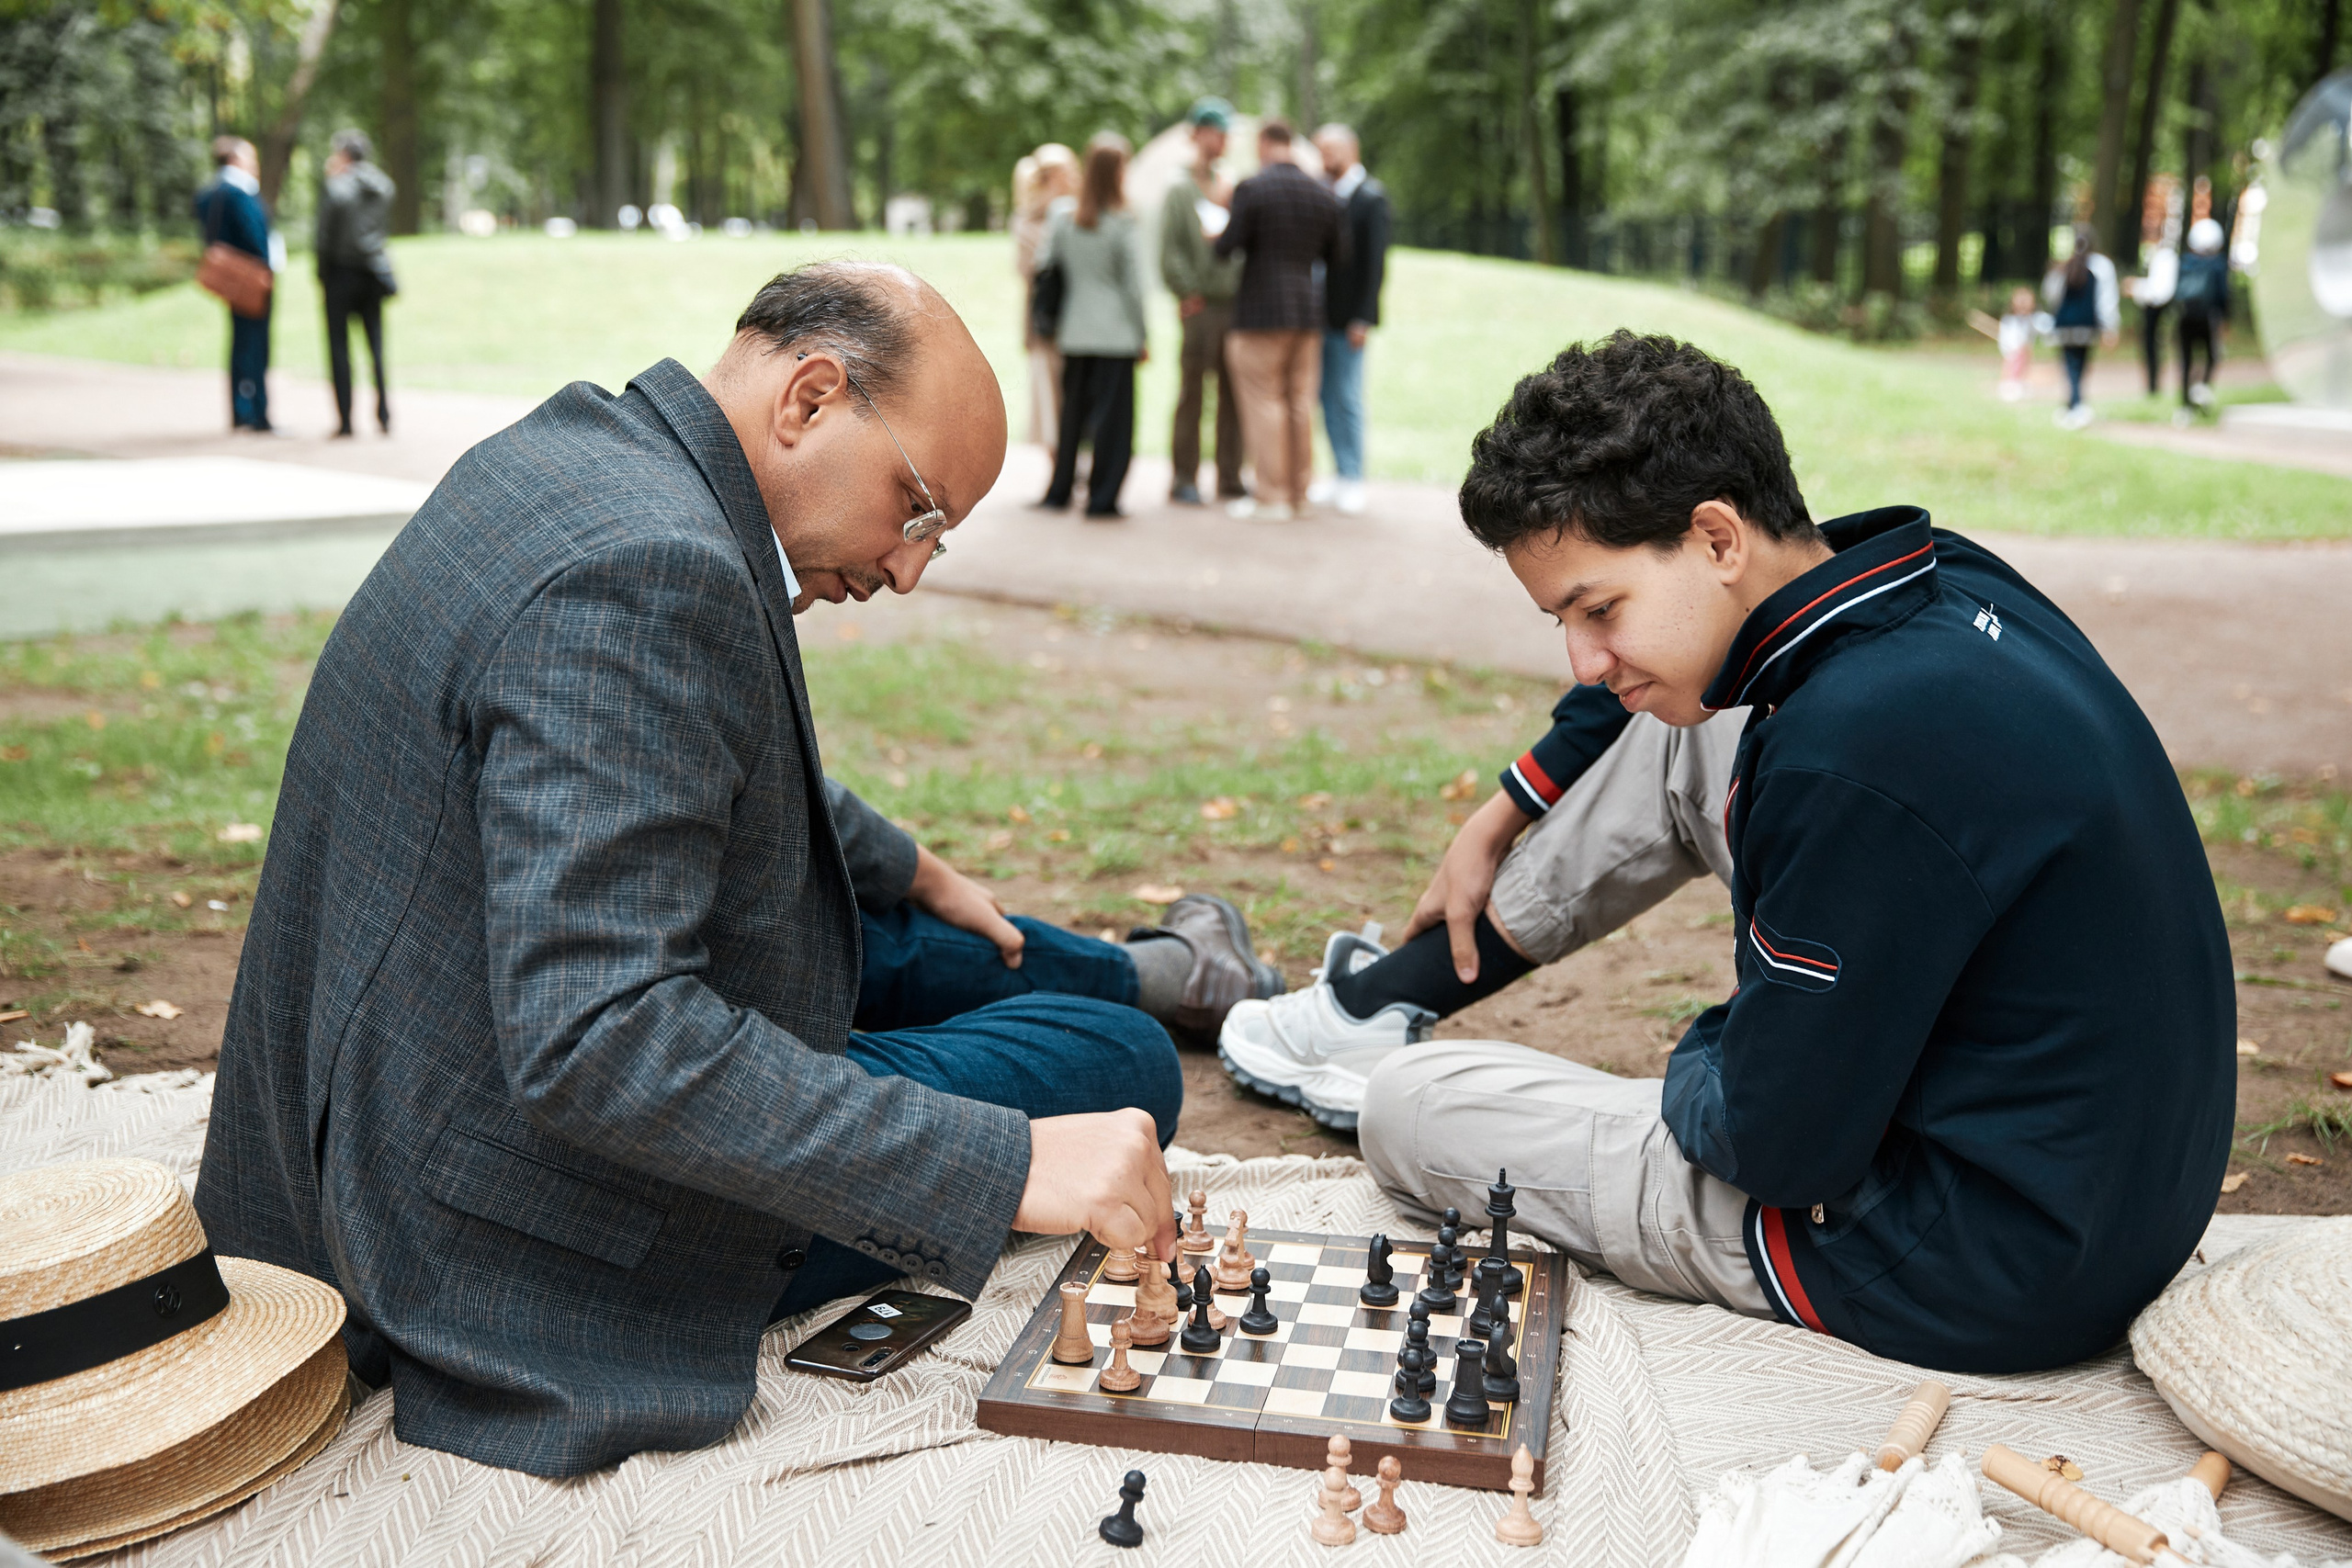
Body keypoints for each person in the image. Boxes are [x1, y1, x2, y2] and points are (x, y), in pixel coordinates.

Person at [195, 262, 1282, 1478]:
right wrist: (1011, 1165)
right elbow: (602, 1035)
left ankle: (1155, 967)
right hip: (483, 1225)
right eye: (917, 508)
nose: (911, 568)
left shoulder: (575, 462)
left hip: (395, 1086)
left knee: (887, 923)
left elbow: (667, 754)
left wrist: (904, 858)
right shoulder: (648, 578)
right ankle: (1148, 993)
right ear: (811, 397)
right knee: (1116, 1068)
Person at [1221, 331, 2233, 1375]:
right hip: (2117, 1185)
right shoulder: (1940, 578)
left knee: (1408, 1107)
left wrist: (1715, 1048)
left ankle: (1378, 1041)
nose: (1581, 659)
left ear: (1715, 538)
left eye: (1597, 609)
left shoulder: (1843, 756)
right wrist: (1501, 811)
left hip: (1964, 1253)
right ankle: (1388, 999)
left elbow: (1775, 1145)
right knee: (1690, 723)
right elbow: (1687, 715)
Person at [1215, 118, 1344, 522]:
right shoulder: (1322, 194)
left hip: (1259, 313)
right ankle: (1299, 494)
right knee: (1299, 404)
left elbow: (1226, 247)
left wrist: (1222, 210)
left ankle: (1271, 497)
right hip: (1307, 313)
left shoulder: (1252, 188)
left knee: (1264, 402)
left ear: (1264, 144)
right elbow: (1340, 257)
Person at [1037, 134, 1148, 519]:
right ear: (1118, 171)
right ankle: (1102, 498)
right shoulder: (1123, 222)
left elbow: (1045, 265)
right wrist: (1143, 333)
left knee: (1073, 418)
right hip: (1116, 334)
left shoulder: (1065, 218)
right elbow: (1133, 288)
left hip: (1075, 331)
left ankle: (1060, 490)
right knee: (1113, 424)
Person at [1159, 98, 1246, 508]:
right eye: (1216, 130)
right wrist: (1187, 290)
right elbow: (1171, 248)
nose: (1223, 138)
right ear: (1198, 134)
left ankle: (1230, 475)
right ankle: (1184, 477)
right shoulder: (1178, 187)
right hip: (1200, 307)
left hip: (1235, 304)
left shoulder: (1230, 183)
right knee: (1193, 394)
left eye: (1226, 131)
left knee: (1234, 393)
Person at [1307, 123, 1390, 517]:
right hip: (1318, 315)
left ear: (1351, 149)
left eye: (1330, 149)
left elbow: (1375, 265)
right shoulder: (1324, 193)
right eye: (1319, 150)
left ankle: (1354, 476)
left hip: (1348, 318)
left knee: (1347, 396)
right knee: (1324, 396)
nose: (1324, 157)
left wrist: (1362, 317)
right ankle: (1338, 473)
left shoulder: (1370, 197)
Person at [315, 129, 398, 438]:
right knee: (376, 346)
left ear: (344, 154)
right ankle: (384, 415)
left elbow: (324, 237)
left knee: (339, 348)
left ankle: (346, 421)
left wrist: (321, 275)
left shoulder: (337, 187)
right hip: (374, 273)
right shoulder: (384, 186)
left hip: (341, 274)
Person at [193, 137, 276, 433]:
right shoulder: (239, 192)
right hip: (251, 278)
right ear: (235, 159)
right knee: (255, 345)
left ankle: (242, 410)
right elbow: (256, 237)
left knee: (240, 343)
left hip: (232, 279)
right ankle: (256, 413)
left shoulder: (210, 193)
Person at [1012, 143, 1080, 450]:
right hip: (1045, 319)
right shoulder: (1029, 222)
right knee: (1049, 395)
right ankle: (1058, 464)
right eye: (1068, 171)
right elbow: (1032, 270)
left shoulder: (1080, 213)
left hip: (1079, 317)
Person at [2042, 224, 2120, 429]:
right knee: (2080, 366)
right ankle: (2076, 405)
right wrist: (2110, 327)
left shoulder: (2064, 266)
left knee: (2070, 366)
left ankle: (2073, 404)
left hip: (2064, 325)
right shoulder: (2102, 266)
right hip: (2086, 326)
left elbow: (2051, 295)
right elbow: (2107, 300)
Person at [2174, 217, 2231, 423]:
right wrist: (2225, 318)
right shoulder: (2218, 265)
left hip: (2185, 316)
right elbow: (2223, 295)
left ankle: (2185, 407)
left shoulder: (2185, 261)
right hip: (2208, 318)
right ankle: (2201, 388)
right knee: (2212, 356)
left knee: (2186, 361)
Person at [2130, 231, 2177, 398]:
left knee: (2153, 347)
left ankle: (2154, 386)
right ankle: (2152, 385)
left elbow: (2160, 292)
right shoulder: (2162, 257)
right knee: (2150, 348)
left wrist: (2136, 289)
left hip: (2156, 309)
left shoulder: (2165, 258)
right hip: (2153, 307)